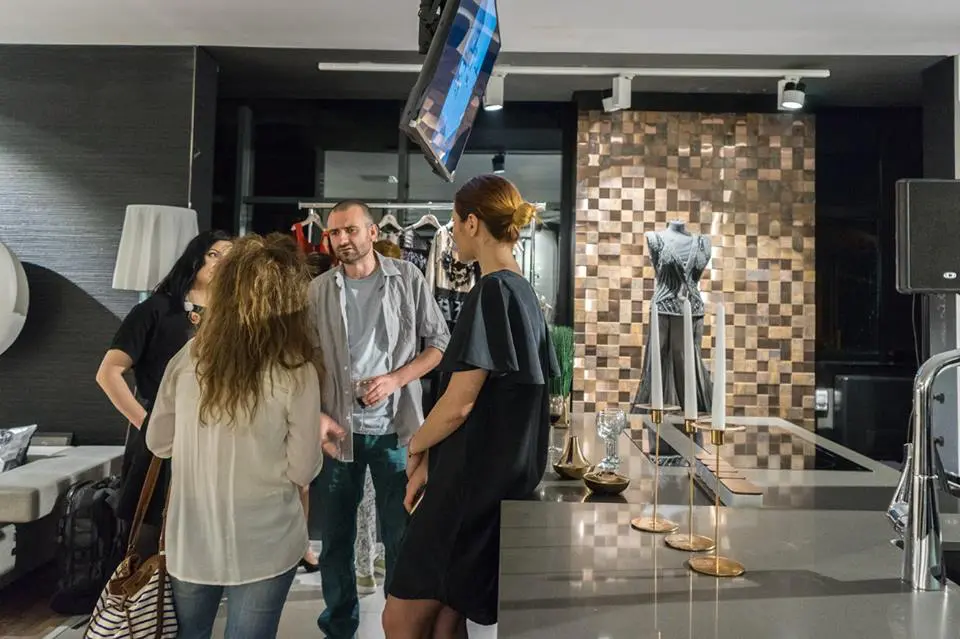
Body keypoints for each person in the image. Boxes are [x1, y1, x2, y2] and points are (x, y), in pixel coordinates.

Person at [382, 175, 557, 638]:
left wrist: (416, 446)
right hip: (492, 487)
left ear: (473, 223)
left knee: (400, 619)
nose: (453, 232)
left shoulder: (493, 292)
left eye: (455, 222)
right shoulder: (524, 294)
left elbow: (460, 404)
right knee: (445, 619)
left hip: (466, 490)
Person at [145, 233, 341, 639]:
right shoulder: (296, 370)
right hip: (266, 541)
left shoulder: (189, 359)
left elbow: (158, 443)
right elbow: (303, 470)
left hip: (192, 538)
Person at [308, 200, 449, 639]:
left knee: (401, 537)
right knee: (335, 541)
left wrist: (394, 379)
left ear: (372, 232)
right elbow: (304, 360)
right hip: (338, 433)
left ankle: (401, 627)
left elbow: (439, 343)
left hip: (396, 431)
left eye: (350, 230)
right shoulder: (318, 291)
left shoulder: (407, 278)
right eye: (334, 233)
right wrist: (316, 413)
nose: (342, 240)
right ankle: (338, 627)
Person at [96, 230, 232, 556]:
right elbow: (108, 373)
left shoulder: (232, 316)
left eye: (230, 258)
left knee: (202, 538)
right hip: (160, 435)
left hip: (212, 438)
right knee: (149, 537)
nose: (221, 263)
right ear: (195, 258)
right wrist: (147, 424)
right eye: (214, 254)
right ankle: (142, 590)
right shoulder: (156, 309)